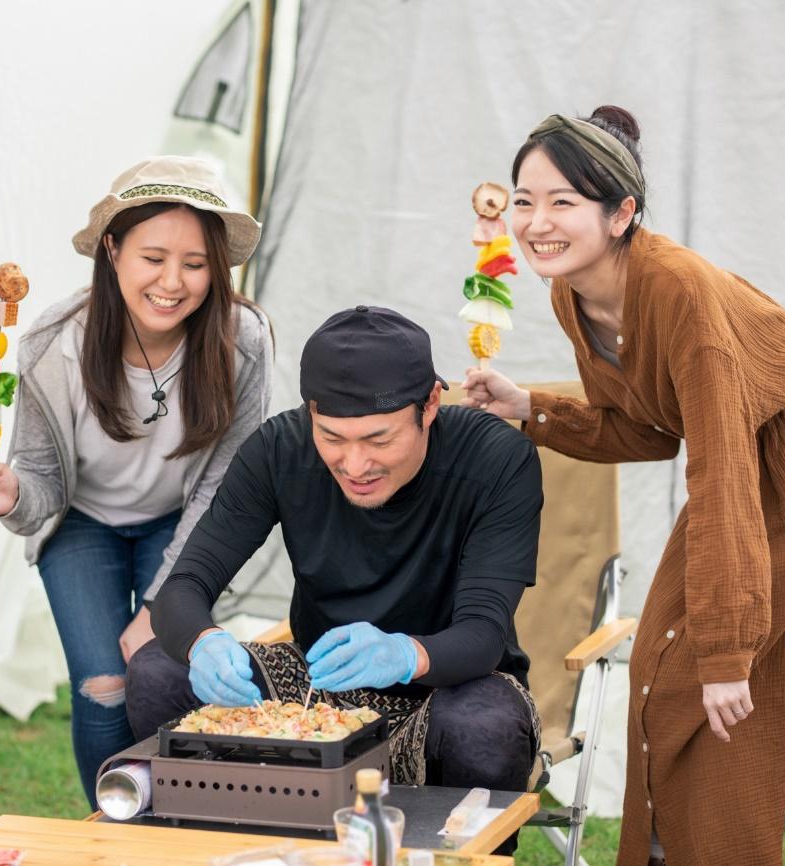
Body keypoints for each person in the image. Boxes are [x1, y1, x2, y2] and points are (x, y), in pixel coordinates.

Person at [463, 106, 785, 866]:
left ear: (622, 213)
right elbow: (651, 431)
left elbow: (720, 471)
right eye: (525, 200)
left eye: (563, 202)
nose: (536, 222)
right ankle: (665, 850)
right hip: (740, 453)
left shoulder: (680, 291)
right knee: (661, 669)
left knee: (716, 679)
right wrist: (534, 410)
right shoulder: (572, 295)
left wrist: (728, 651)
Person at [126, 305, 544, 853]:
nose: (354, 464)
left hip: (448, 687)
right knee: (158, 669)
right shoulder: (280, 448)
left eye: (378, 439)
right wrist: (203, 642)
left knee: (484, 724)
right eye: (331, 437)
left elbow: (484, 634)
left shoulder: (497, 459)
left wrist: (405, 652)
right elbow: (184, 586)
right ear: (310, 415)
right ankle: (208, 848)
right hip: (318, 690)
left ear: (431, 405)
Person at [0, 156, 273, 808]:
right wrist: (13, 495)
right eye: (153, 256)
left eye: (195, 262)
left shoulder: (243, 340)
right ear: (112, 249)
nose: (172, 281)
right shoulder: (53, 344)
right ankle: (117, 828)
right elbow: (43, 478)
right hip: (83, 523)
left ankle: (184, 824)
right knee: (104, 685)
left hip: (184, 521)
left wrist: (161, 602)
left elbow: (227, 485)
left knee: (161, 672)